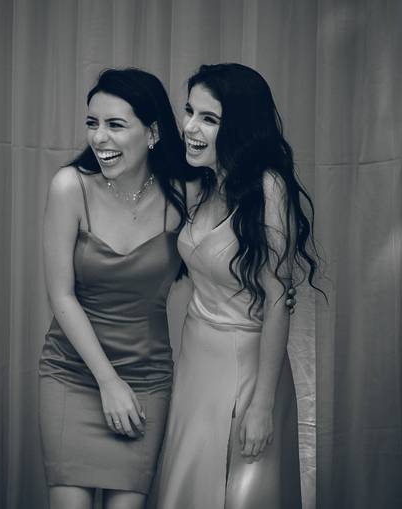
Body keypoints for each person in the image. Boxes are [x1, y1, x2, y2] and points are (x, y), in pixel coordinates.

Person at [154, 63, 322, 509]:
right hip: (196, 359)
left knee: (243, 492)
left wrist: (262, 405)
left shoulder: (269, 188)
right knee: (188, 483)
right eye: (189, 111)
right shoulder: (204, 183)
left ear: (240, 128)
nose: (190, 127)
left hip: (246, 364)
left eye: (208, 118)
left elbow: (278, 301)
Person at [38, 68, 198, 509]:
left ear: (152, 133)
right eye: (92, 123)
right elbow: (61, 295)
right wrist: (107, 381)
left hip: (146, 377)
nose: (99, 137)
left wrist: (277, 288)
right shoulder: (70, 186)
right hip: (72, 372)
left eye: (115, 124)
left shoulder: (186, 194)